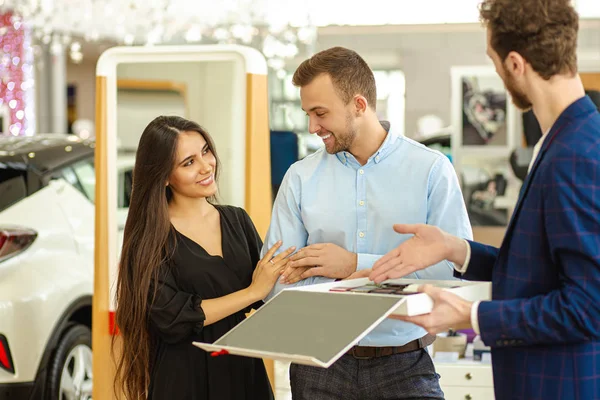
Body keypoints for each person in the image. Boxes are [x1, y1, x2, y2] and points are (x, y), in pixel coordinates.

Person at [370, 1, 600, 399]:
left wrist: (470, 315)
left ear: (514, 63)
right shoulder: (567, 139)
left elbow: (588, 306)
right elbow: (540, 272)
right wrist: (455, 249)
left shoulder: (574, 154)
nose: (496, 72)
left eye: (493, 61)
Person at [261, 47, 472, 399]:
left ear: (359, 105)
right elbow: (279, 284)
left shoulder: (431, 172)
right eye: (308, 114)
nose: (312, 127)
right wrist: (397, 272)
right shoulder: (299, 178)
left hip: (405, 367)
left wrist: (352, 265)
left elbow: (449, 276)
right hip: (318, 369)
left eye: (320, 113)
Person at [113, 116, 295, 400]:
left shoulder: (237, 220)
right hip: (185, 379)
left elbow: (268, 294)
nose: (206, 165)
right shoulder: (149, 241)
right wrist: (252, 292)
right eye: (188, 163)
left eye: (206, 151)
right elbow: (173, 317)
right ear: (163, 177)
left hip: (244, 372)